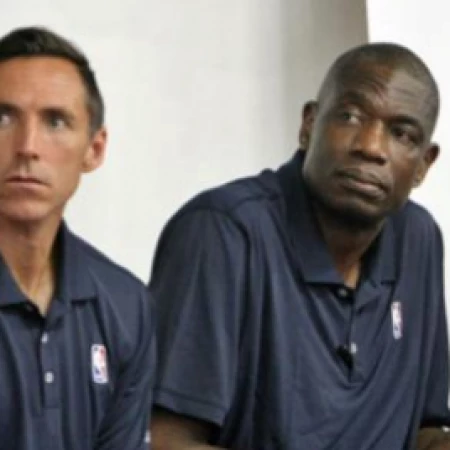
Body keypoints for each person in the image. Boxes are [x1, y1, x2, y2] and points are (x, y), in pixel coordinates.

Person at [149, 42, 450, 449]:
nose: (371, 147)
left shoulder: (418, 240)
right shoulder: (223, 233)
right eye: (350, 116)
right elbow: (163, 440)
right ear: (309, 125)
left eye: (401, 134)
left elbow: (423, 433)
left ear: (423, 165)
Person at [0, 27, 154, 449]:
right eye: (3, 118)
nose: (27, 146)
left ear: (94, 149)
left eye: (55, 121)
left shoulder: (126, 305)